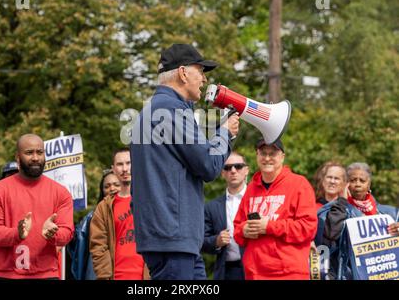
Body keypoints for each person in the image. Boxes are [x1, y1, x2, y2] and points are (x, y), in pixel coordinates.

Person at [130, 43, 240, 280]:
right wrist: (225, 133)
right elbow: (209, 166)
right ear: (182, 73)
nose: (203, 79)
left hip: (169, 239)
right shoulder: (172, 110)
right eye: (200, 71)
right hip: (173, 240)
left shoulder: (152, 111)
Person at [0, 134, 74, 279]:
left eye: (40, 152)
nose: (36, 158)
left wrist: (53, 234)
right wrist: (16, 234)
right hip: (5, 274)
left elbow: (67, 232)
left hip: (46, 274)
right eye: (29, 153)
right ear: (18, 157)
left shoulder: (61, 192)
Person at [233, 138, 318, 280]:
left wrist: (269, 226)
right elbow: (237, 228)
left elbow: (308, 228)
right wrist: (244, 230)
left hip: (289, 273)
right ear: (257, 155)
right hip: (255, 273)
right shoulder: (251, 188)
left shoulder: (299, 184)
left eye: (272, 153)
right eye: (263, 153)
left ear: (282, 157)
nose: (267, 158)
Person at [321, 162, 399, 279]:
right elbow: (329, 238)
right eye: (353, 180)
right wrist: (341, 203)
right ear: (346, 183)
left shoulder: (391, 213)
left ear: (369, 184)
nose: (357, 184)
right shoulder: (332, 210)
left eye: (362, 181)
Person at [89, 148, 149, 280]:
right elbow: (98, 245)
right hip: (116, 275)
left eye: (128, 163)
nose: (125, 169)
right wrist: (104, 276)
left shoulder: (150, 200)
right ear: (113, 168)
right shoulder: (104, 207)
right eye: (120, 164)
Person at [202, 151, 248, 280]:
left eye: (238, 166)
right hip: (226, 271)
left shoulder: (259, 199)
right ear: (222, 173)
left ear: (246, 170)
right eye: (227, 167)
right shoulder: (211, 207)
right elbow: (201, 241)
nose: (233, 171)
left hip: (255, 268)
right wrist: (216, 241)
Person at [69, 169, 121, 280]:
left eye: (116, 184)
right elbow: (77, 240)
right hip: (99, 270)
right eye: (107, 186)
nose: (112, 188)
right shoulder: (92, 217)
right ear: (102, 191)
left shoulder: (134, 210)